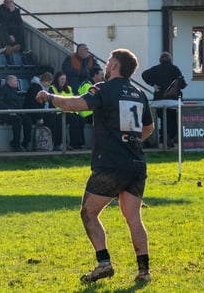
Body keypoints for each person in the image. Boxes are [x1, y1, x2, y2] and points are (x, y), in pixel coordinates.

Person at [36, 48, 154, 284]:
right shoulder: (138, 93)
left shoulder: (103, 89)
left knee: (88, 212)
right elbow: (148, 128)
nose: (106, 65)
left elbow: (76, 105)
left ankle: (103, 263)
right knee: (134, 218)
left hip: (110, 164)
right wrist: (130, 142)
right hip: (136, 163)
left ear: (115, 66)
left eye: (109, 61)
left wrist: (49, 97)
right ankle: (144, 271)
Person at [141, 52, 187, 148]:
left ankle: (164, 137)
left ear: (160, 60)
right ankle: (170, 137)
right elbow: (182, 84)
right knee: (173, 119)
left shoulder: (155, 69)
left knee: (163, 119)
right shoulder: (175, 69)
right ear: (170, 59)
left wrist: (153, 84)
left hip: (159, 100)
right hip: (173, 100)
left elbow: (144, 74)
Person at [0, 75, 32, 152]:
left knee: (28, 119)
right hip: (5, 114)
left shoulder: (14, 90)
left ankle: (26, 142)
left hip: (16, 112)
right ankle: (16, 143)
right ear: (9, 81)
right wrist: (8, 111)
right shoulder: (1, 90)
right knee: (17, 120)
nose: (17, 82)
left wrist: (21, 111)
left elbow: (17, 103)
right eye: (16, 80)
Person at [50, 71, 85, 150]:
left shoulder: (69, 88)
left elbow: (72, 99)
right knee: (74, 119)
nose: (63, 81)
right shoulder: (52, 88)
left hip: (70, 111)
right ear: (57, 79)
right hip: (59, 113)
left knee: (81, 119)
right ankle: (74, 143)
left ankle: (81, 143)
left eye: (64, 79)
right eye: (61, 79)